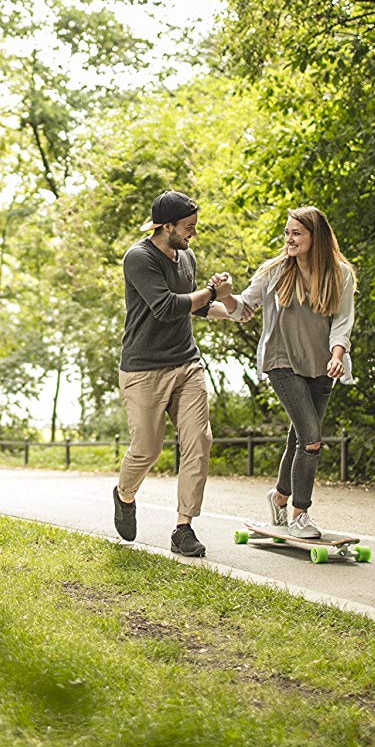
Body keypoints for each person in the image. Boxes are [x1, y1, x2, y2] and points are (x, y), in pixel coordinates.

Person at [213, 206, 355, 539]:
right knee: (311, 438)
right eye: (287, 233)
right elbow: (244, 309)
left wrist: (337, 355)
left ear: (314, 237)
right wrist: (226, 297)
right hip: (282, 362)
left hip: (322, 365)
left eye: (296, 233)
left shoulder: (340, 274)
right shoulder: (275, 271)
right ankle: (300, 513)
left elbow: (343, 321)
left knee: (299, 438)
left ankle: (278, 497)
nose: (288, 239)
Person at [114, 190, 233, 557]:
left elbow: (192, 307)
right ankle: (125, 494)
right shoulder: (139, 258)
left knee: (199, 440)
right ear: (166, 227)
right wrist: (211, 291)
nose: (192, 234)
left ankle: (184, 529)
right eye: (187, 227)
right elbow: (166, 307)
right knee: (147, 449)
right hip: (144, 369)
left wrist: (230, 309)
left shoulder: (187, 257)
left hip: (186, 363)